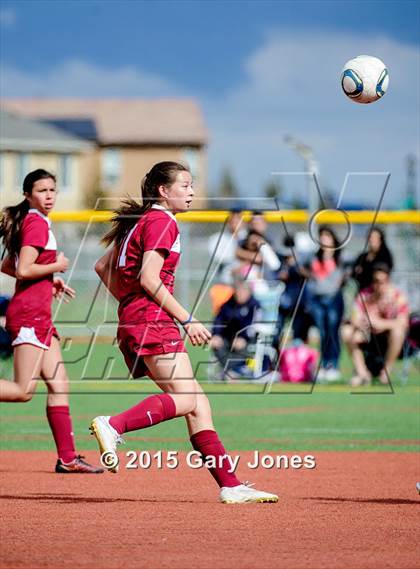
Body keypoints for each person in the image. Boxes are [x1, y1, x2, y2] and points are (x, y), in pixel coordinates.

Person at [91, 161, 278, 504]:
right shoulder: (162, 221)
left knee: (197, 405)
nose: (192, 192)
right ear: (163, 191)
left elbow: (102, 267)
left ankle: (230, 485)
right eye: (185, 186)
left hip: (138, 318)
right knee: (189, 399)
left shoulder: (141, 221)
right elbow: (149, 278)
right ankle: (113, 424)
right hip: (152, 320)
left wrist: (130, 303)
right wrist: (187, 319)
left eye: (192, 186)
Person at [0, 169, 103, 474]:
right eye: (42, 190)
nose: (49, 196)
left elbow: (10, 265)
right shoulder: (35, 222)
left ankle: (68, 459)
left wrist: (50, 280)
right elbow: (22, 270)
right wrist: (56, 266)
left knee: (59, 385)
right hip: (30, 316)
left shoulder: (37, 222)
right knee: (22, 390)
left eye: (52, 190)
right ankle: (68, 458)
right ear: (28, 195)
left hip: (40, 316)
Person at [342, 263, 409, 387]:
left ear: (388, 280)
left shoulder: (398, 296)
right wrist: (365, 321)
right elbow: (354, 318)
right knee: (346, 331)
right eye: (375, 281)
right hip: (368, 337)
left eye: (382, 281)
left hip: (388, 339)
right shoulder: (364, 295)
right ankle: (362, 373)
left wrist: (380, 323)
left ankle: (386, 373)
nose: (379, 285)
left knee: (398, 332)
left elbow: (403, 322)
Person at [305, 226, 345, 381]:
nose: (323, 239)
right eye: (321, 236)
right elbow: (301, 266)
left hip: (333, 299)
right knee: (322, 333)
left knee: (332, 331)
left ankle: (333, 364)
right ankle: (323, 364)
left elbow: (343, 274)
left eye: (327, 236)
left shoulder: (340, 256)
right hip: (317, 299)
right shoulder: (315, 257)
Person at [210, 279, 262, 379]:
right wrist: (216, 334)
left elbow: (253, 325)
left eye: (242, 291)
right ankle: (230, 371)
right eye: (237, 291)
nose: (239, 294)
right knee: (217, 344)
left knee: (242, 349)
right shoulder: (229, 304)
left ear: (248, 292)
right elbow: (219, 320)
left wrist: (244, 338)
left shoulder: (254, 305)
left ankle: (236, 370)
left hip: (248, 339)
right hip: (228, 337)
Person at [353, 226, 394, 291]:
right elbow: (355, 273)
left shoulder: (385, 256)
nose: (371, 240)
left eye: (374, 237)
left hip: (378, 290)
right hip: (362, 290)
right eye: (370, 237)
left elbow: (381, 273)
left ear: (380, 240)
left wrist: (364, 271)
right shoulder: (362, 256)